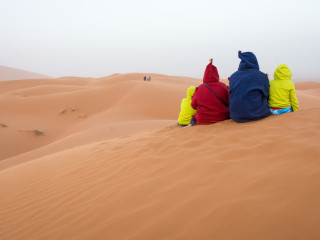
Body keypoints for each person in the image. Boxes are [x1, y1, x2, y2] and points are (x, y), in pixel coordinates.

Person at [229, 51, 270, 123]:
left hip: (236, 116)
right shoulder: (262, 76)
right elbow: (266, 94)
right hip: (257, 114)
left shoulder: (233, 76)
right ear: (255, 61)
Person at [190, 59, 229, 125]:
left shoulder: (199, 88)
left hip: (202, 120)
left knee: (193, 118)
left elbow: (193, 105)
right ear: (217, 74)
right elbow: (229, 102)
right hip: (221, 118)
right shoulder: (223, 86)